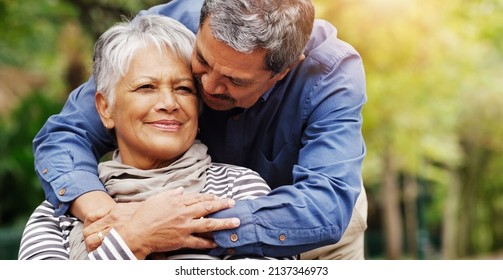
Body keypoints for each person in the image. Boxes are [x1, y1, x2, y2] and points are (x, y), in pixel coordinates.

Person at [33, 0, 368, 259]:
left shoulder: (330, 73)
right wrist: (116, 220)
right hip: (161, 197)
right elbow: (66, 136)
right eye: (202, 62)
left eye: (235, 80)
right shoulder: (167, 29)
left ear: (284, 70)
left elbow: (325, 206)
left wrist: (179, 227)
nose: (207, 87)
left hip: (302, 223)